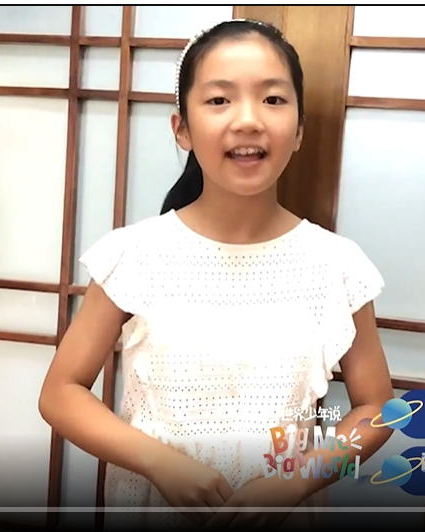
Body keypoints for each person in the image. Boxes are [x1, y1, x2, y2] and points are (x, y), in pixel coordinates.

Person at [39, 19, 395, 531]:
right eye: (219, 100)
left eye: (273, 99)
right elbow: (60, 392)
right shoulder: (135, 254)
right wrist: (160, 463)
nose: (248, 120)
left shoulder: (337, 264)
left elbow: (376, 408)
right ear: (181, 128)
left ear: (299, 129)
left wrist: (296, 480)